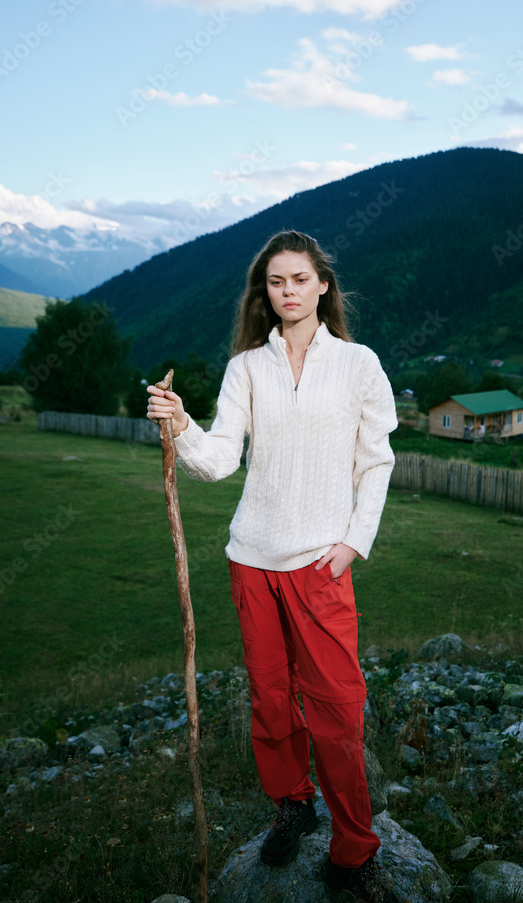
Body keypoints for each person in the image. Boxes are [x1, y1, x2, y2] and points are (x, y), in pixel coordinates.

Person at [147, 230, 400, 903]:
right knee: (271, 701)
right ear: (266, 292)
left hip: (321, 563)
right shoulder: (246, 368)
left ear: (323, 285)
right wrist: (180, 424)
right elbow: (219, 459)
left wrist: (352, 543)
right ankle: (293, 802)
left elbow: (376, 462)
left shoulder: (358, 365)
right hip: (251, 559)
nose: (286, 291)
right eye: (275, 282)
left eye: (298, 278)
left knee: (339, 712)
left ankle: (355, 849)